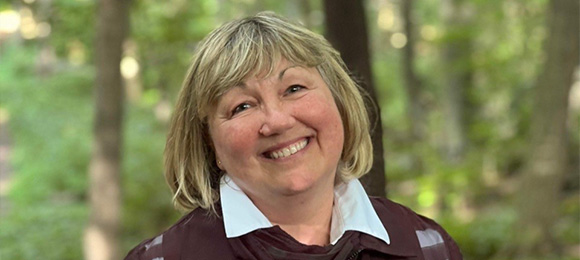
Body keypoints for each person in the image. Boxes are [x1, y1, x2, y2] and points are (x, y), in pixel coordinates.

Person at [126, 11, 462, 260]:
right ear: (210, 143)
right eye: (242, 106)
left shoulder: (426, 245)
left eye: (294, 88)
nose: (277, 121)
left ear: (340, 102)